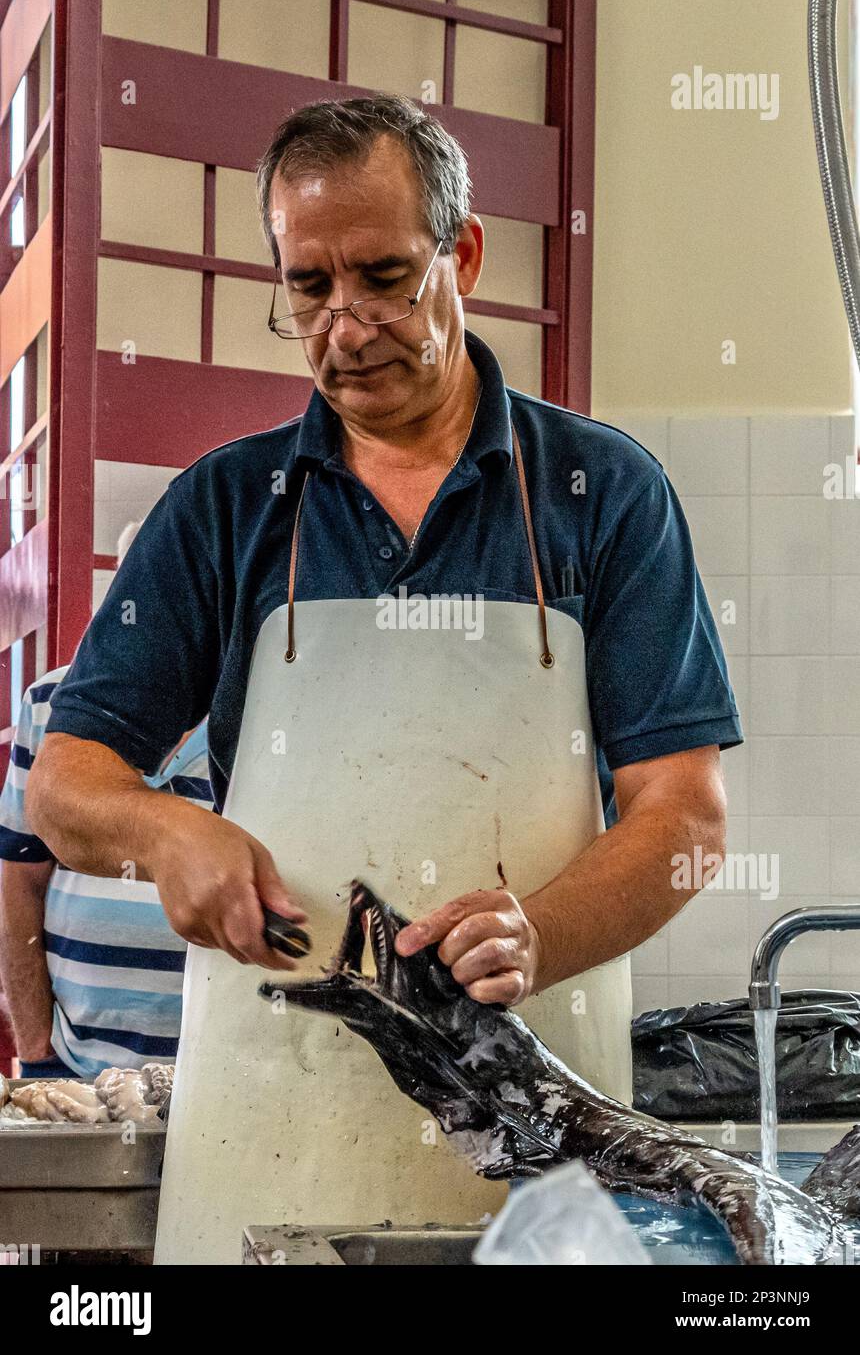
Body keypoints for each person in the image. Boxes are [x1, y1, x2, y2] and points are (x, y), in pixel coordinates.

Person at [25, 94, 740, 1260]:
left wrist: (540, 932)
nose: (347, 327)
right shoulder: (226, 507)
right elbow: (63, 786)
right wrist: (164, 830)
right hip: (270, 1109)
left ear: (461, 253)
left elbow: (686, 817)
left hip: (536, 1124)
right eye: (309, 287)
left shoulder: (599, 494)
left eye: (384, 276)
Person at [0, 526, 213, 1077]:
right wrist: (37, 1052)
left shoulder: (263, 713)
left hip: (224, 1077)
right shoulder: (50, 701)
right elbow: (19, 880)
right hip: (79, 1068)